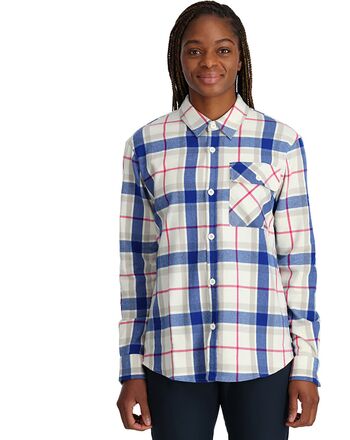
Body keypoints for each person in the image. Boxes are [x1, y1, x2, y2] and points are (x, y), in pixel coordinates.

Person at [116, 1, 321, 439]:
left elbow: (297, 261)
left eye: (223, 49)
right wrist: (130, 367)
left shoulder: (281, 142)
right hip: (172, 358)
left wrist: (306, 365)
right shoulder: (145, 145)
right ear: (177, 59)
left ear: (240, 57)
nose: (209, 61)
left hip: (262, 355)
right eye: (194, 50)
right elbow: (137, 266)